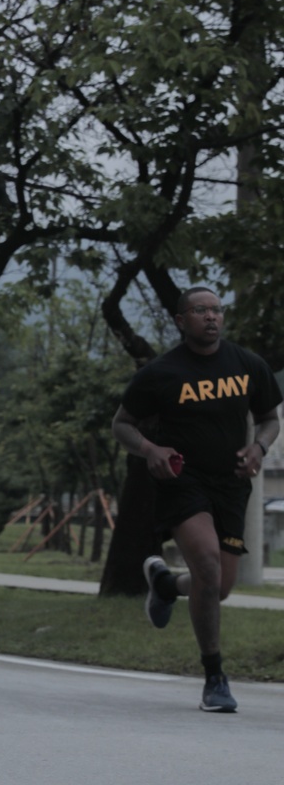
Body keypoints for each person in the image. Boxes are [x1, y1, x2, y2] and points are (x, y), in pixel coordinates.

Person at [112, 286, 281, 712]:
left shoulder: (248, 365)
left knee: (219, 586)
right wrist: (150, 450)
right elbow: (123, 424)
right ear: (180, 319)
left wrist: (258, 449)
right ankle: (214, 677)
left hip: (231, 484)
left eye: (216, 310)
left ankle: (167, 584)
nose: (211, 317)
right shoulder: (161, 373)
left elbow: (268, 419)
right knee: (206, 562)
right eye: (200, 310)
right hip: (182, 480)